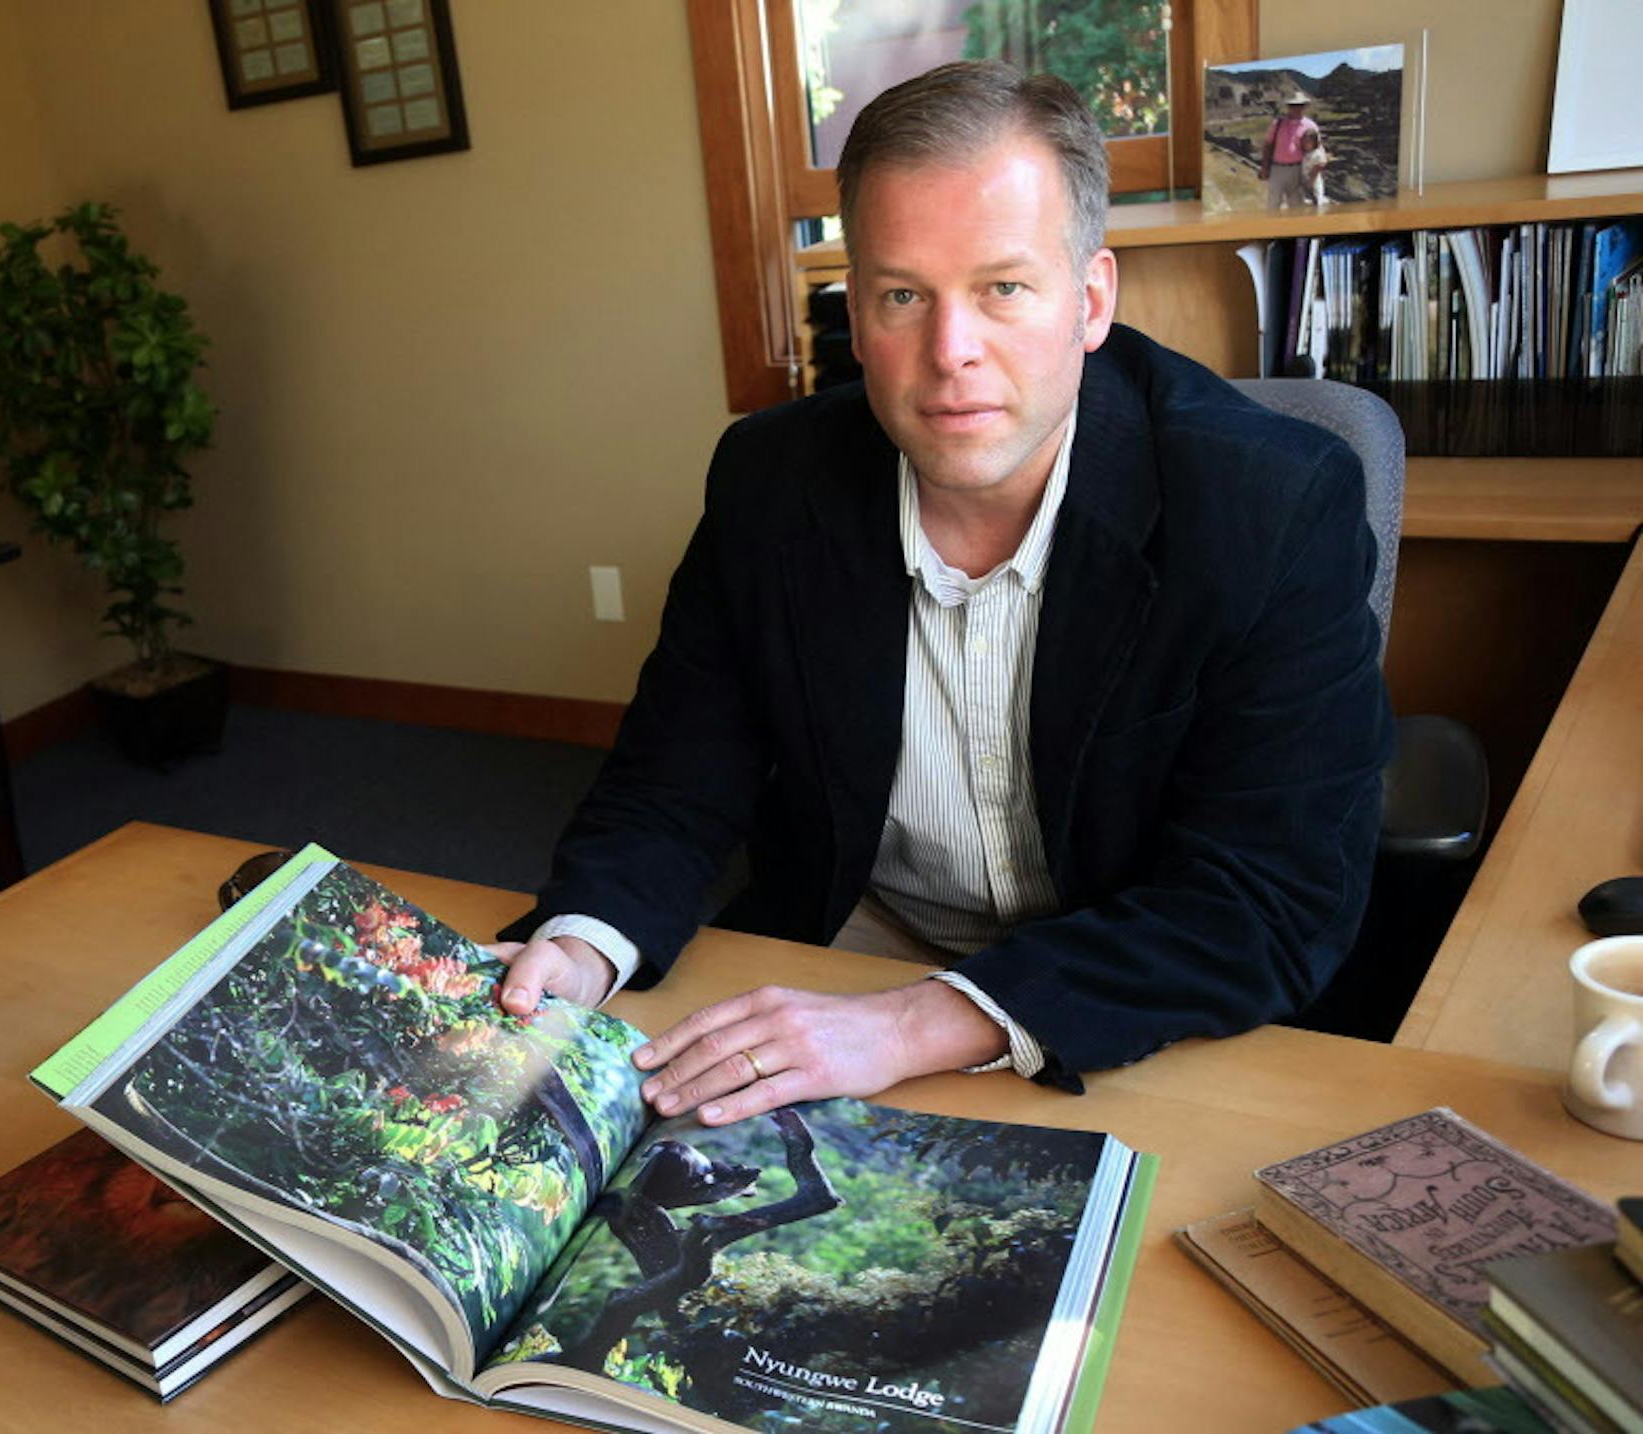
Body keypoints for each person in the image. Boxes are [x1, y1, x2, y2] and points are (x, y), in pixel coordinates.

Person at [491, 61, 1392, 1122]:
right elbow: (674, 777)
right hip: (852, 949)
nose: (949, 354)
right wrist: (586, 941)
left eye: (1003, 288)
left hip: (1123, 990)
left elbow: (1265, 899)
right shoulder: (770, 484)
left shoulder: (1272, 505)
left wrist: (916, 1025)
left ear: (1090, 301)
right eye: (903, 296)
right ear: (857, 310)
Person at [1261, 93, 1323, 208]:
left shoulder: (1311, 125)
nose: (1296, 108)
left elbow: (1318, 148)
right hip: (1277, 169)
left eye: (1299, 105)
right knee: (1273, 203)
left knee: (1296, 204)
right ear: (1288, 107)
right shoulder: (1278, 124)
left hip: (1298, 169)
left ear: (1304, 107)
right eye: (1293, 105)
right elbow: (1267, 145)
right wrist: (1265, 167)